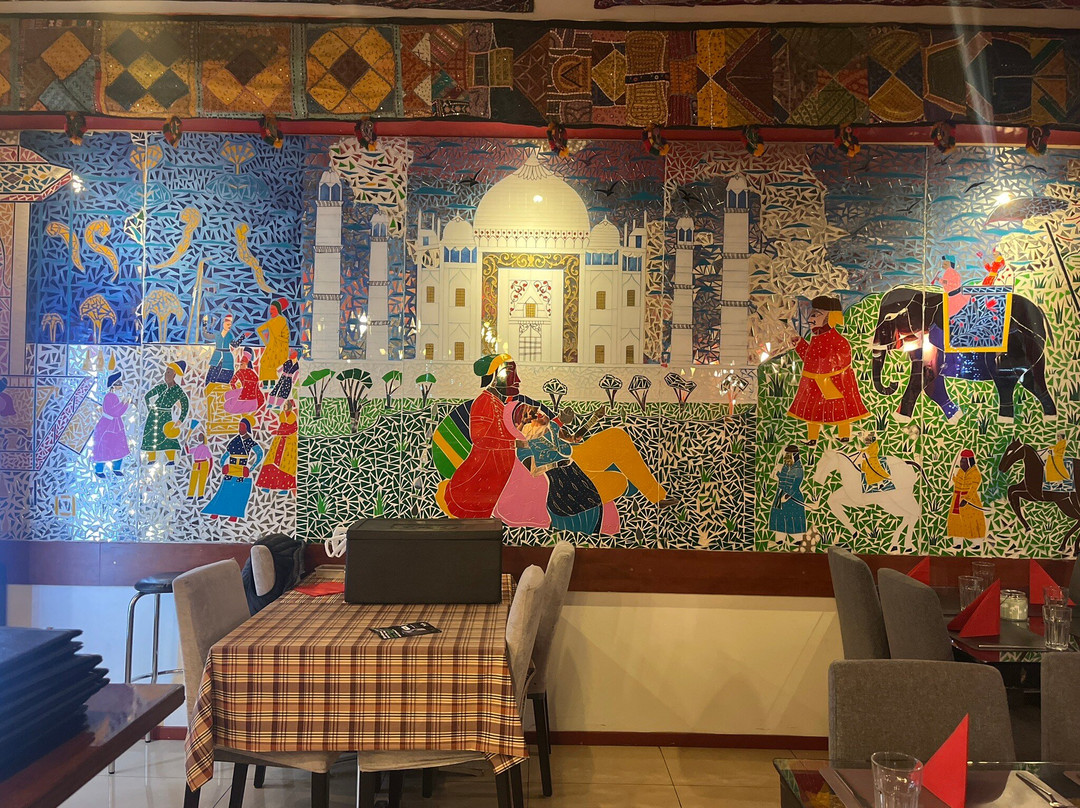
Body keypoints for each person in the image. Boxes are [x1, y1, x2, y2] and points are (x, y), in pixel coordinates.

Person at [436, 354, 519, 519]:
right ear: (494, 379)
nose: (517, 380)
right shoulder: (484, 402)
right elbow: (480, 438)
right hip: (482, 473)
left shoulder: (499, 404)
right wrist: (513, 444)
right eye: (510, 374)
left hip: (496, 475)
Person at [786, 296, 869, 445]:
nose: (810, 319)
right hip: (814, 382)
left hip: (834, 381)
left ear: (830, 317)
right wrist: (800, 345)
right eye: (811, 315)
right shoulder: (816, 339)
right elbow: (810, 359)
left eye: (816, 315)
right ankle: (813, 438)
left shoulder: (838, 340)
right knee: (812, 409)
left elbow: (843, 358)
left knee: (840, 407)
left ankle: (844, 435)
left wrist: (826, 370)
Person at [513, 403, 605, 534]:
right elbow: (532, 463)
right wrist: (558, 421)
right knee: (569, 521)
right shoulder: (526, 440)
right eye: (534, 414)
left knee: (593, 507)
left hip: (578, 479)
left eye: (540, 412)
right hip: (561, 489)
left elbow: (575, 438)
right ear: (525, 420)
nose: (540, 415)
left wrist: (594, 418)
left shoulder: (552, 429)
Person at [202, 416, 263, 521]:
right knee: (224, 490)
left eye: (242, 426)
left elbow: (260, 454)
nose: (240, 428)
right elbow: (225, 455)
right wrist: (223, 466)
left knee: (238, 493)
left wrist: (250, 468)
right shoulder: (235, 440)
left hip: (241, 470)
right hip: (230, 469)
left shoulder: (250, 441)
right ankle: (216, 511)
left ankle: (234, 515)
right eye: (239, 426)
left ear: (247, 428)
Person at [141, 361, 189, 465]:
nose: (165, 374)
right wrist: (150, 409)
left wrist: (180, 419)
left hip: (166, 416)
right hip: (153, 416)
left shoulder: (178, 390)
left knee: (168, 437)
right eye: (166, 372)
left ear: (174, 374)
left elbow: (185, 404)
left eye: (168, 372)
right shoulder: (162, 387)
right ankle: (151, 459)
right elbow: (147, 396)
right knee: (150, 436)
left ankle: (171, 460)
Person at [91, 371, 130, 477]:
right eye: (118, 384)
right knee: (104, 447)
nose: (121, 386)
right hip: (108, 426)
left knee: (119, 447)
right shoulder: (109, 396)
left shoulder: (115, 396)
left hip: (116, 425)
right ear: (113, 386)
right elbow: (114, 412)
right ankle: (99, 470)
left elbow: (118, 412)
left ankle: (116, 468)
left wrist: (125, 402)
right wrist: (124, 402)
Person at [255, 399, 298, 494]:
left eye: (286, 405)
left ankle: (285, 489)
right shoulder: (282, 416)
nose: (284, 406)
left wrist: (281, 432)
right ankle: (267, 486)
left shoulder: (292, 417)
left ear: (289, 406)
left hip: (288, 444)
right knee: (271, 461)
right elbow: (281, 427)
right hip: (279, 442)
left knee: (286, 466)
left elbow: (294, 429)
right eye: (284, 405)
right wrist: (279, 432)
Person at [770, 445, 806, 546]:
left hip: (792, 496)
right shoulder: (786, 466)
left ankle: (798, 538)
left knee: (793, 516)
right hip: (780, 492)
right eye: (786, 455)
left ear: (795, 456)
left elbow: (795, 485)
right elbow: (782, 478)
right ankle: (780, 537)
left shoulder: (798, 469)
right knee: (779, 516)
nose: (786, 457)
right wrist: (777, 473)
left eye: (789, 455)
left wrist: (786, 497)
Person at [947, 448, 986, 539]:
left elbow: (973, 488)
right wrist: (953, 478)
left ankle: (976, 542)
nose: (961, 463)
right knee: (956, 521)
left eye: (963, 462)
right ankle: (957, 541)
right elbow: (958, 483)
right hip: (957, 498)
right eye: (961, 461)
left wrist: (966, 499)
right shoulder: (960, 472)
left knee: (972, 521)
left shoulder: (975, 473)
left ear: (969, 462)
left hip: (969, 500)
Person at [256, 297, 290, 387]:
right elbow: (259, 329)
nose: (271, 311)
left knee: (269, 364)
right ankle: (266, 384)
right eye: (270, 309)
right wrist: (266, 341)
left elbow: (282, 335)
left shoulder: (281, 320)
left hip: (279, 347)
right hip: (271, 346)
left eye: (273, 309)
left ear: (278, 310)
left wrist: (271, 340)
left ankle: (272, 384)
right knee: (264, 363)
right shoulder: (271, 321)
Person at [203, 314, 242, 387]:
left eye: (230, 325)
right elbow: (207, 336)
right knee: (211, 376)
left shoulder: (230, 335)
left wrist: (242, 337)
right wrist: (205, 325)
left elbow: (235, 345)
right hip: (217, 356)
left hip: (227, 358)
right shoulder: (217, 334)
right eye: (228, 324)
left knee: (224, 377)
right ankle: (208, 389)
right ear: (223, 323)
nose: (229, 326)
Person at [224, 349, 265, 414]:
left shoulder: (240, 372)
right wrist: (258, 405)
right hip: (253, 405)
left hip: (242, 402)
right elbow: (258, 392)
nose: (240, 365)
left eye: (241, 363)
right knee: (234, 393)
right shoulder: (255, 375)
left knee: (226, 402)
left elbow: (232, 382)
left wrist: (235, 391)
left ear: (246, 363)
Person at [186, 420, 213, 499]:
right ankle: (191, 495)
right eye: (199, 437)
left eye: (200, 437)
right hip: (197, 464)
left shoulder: (204, 448)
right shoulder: (197, 448)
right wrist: (186, 445)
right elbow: (188, 452)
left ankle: (199, 495)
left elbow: (210, 458)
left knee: (201, 480)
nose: (199, 438)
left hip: (203, 464)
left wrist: (209, 470)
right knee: (193, 479)